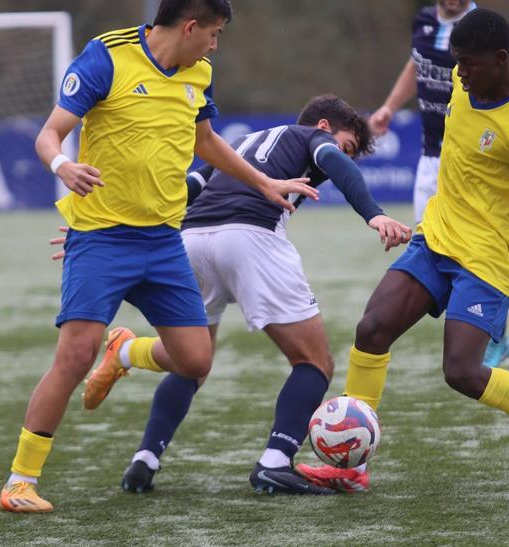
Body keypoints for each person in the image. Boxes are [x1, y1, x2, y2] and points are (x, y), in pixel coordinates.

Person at [0, 0, 318, 514]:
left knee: (196, 361)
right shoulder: (106, 57)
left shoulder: (200, 73)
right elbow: (48, 134)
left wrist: (264, 182)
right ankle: (20, 481)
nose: (216, 45)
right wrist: (63, 165)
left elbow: (206, 142)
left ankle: (124, 351)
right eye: (213, 33)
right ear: (190, 26)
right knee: (74, 355)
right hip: (101, 238)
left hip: (165, 242)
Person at [298, 9, 509, 495]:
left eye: (467, 63)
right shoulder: (467, 82)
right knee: (372, 327)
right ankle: (351, 466)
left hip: (491, 258)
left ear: (502, 59)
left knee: (461, 371)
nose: (458, 74)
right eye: (456, 62)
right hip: (438, 236)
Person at [77, 95, 411, 496]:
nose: (347, 158)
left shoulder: (240, 144)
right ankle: (275, 462)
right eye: (348, 146)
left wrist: (114, 225)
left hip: (191, 241)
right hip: (250, 236)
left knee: (191, 363)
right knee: (314, 361)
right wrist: (373, 213)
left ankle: (143, 449)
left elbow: (189, 187)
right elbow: (333, 160)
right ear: (323, 127)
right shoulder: (311, 138)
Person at [369, 0, 509, 369]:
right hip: (432, 159)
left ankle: (487, 331)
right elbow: (416, 66)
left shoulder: (485, 31)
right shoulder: (423, 21)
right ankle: (469, 331)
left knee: (473, 251)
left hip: (475, 163)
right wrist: (391, 107)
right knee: (432, 248)